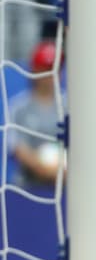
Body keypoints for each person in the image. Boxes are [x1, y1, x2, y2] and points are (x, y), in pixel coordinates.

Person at [6, 41, 61, 193]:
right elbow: (17, 147)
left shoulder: (69, 106)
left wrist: (63, 169)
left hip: (66, 185)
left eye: (56, 68)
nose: (51, 74)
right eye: (46, 68)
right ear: (35, 69)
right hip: (28, 186)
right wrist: (42, 168)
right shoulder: (20, 107)